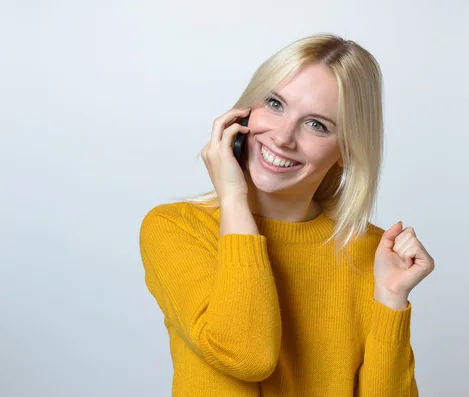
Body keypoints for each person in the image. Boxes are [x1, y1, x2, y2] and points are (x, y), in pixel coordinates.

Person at [139, 33, 435, 396]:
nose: (282, 137)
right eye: (275, 104)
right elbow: (246, 355)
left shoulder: (374, 254)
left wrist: (390, 299)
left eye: (317, 125)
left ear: (347, 150)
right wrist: (232, 197)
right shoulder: (178, 228)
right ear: (245, 110)